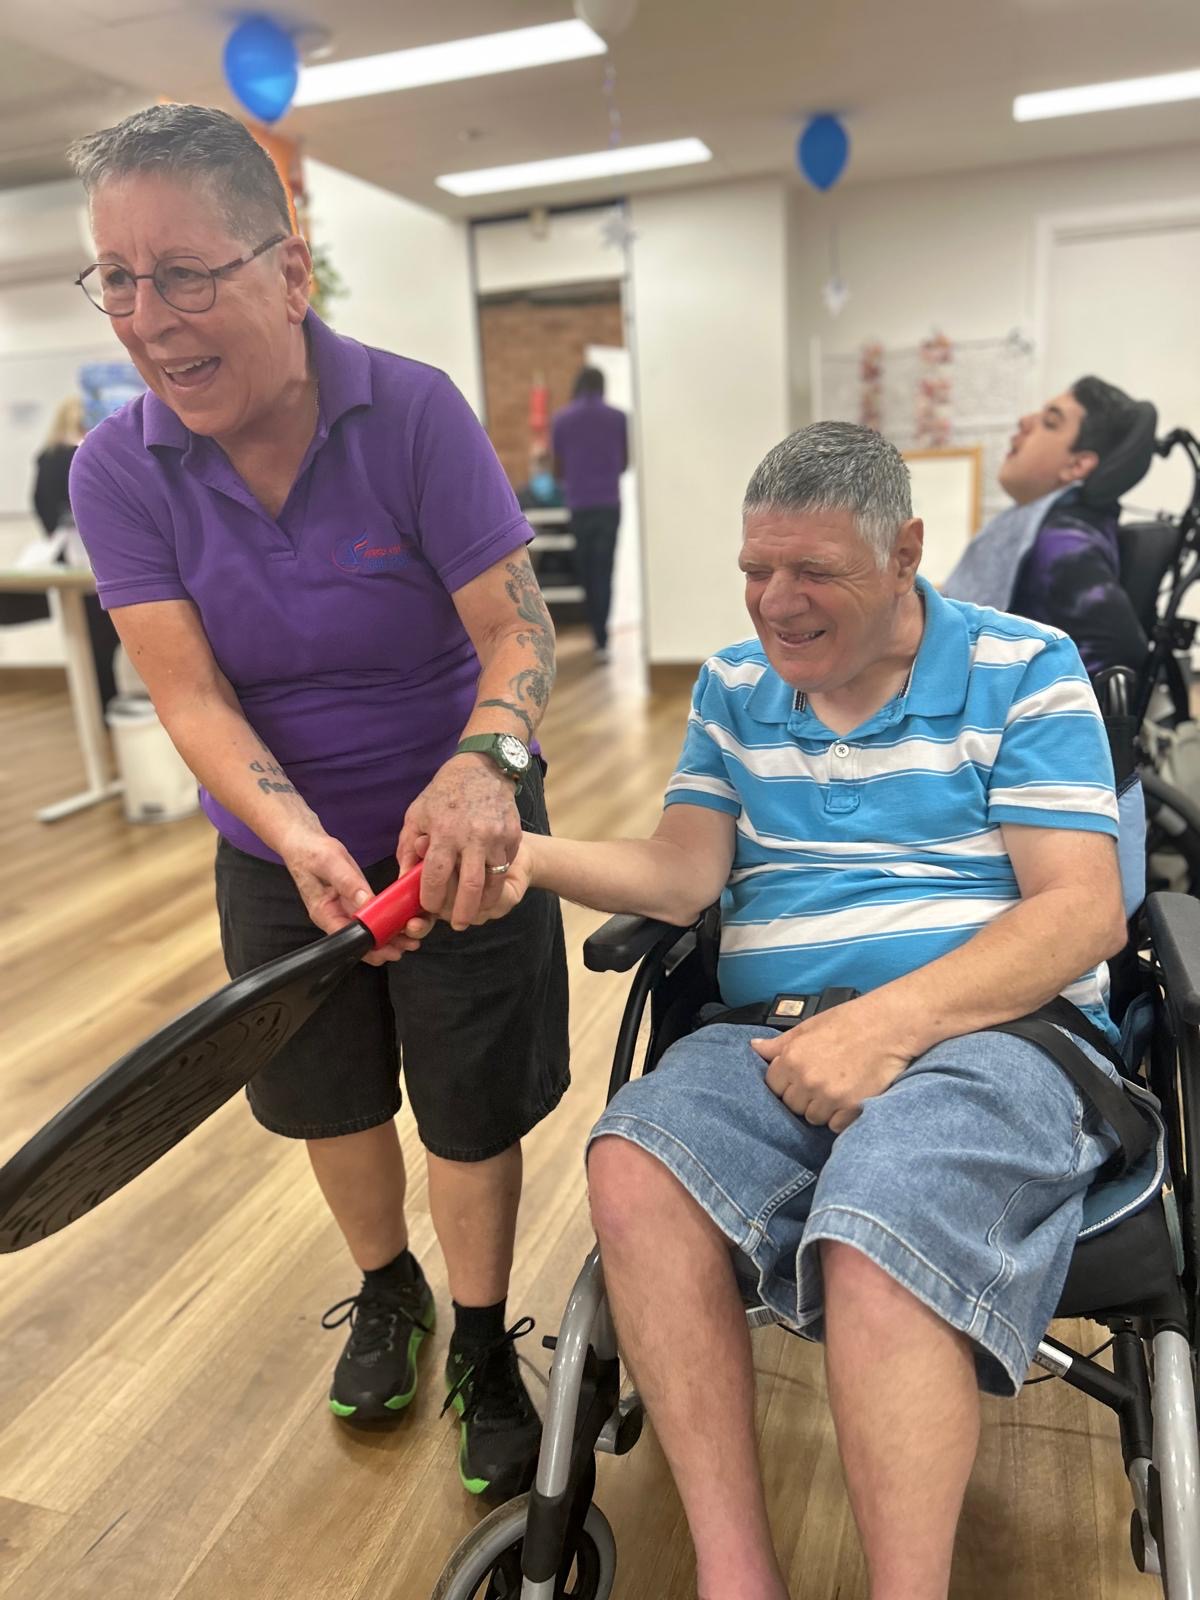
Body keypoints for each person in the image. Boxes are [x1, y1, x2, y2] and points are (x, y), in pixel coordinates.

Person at [466, 422, 1132, 1598]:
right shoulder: (733, 688)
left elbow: (1080, 915)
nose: (776, 603)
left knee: (886, 1207)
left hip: (997, 1032)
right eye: (754, 571)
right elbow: (684, 873)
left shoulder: (1025, 665)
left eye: (814, 571)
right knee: (633, 1163)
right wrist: (524, 856)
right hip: (772, 1028)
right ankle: (738, 1577)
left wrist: (890, 1023)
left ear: (906, 551)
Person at [65, 103, 569, 1504]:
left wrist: (484, 769)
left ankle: (480, 1339)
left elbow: (517, 633)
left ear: (289, 272)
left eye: (186, 272)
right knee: (328, 1093)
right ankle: (388, 1290)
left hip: (459, 836)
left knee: (467, 1105)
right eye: (118, 277)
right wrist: (294, 837)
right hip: (276, 848)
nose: (150, 317)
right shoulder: (119, 469)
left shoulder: (409, 412)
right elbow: (191, 693)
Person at [943, 376, 1153, 676]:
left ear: (1077, 466)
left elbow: (1122, 653)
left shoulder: (1063, 542)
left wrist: (1040, 709)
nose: (1025, 422)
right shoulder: (1046, 527)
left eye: (1049, 422)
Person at [551, 365, 627, 662]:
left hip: (579, 505)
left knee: (585, 571)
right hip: (609, 503)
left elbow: (558, 469)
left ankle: (594, 630)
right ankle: (602, 638)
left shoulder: (562, 419)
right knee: (605, 570)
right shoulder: (618, 418)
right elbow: (624, 463)